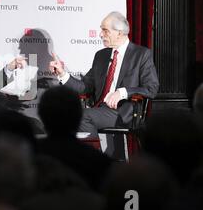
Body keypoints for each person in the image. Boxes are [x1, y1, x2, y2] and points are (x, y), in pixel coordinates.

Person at [49, 11, 159, 156]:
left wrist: (123, 92)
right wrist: (62, 74)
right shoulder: (101, 55)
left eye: (105, 30)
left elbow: (151, 88)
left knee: (82, 116)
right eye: (101, 30)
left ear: (119, 33)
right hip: (100, 110)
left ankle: (94, 160)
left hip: (124, 113)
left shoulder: (141, 54)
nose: (101, 34)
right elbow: (84, 87)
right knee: (67, 115)